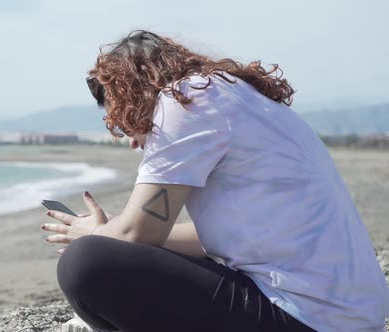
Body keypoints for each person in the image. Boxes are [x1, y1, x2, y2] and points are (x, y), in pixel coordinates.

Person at [39, 30, 389, 331]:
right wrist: (117, 229)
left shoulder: (185, 100)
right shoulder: (234, 95)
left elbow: (141, 233)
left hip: (308, 317)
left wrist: (95, 233)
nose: (130, 138)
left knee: (85, 262)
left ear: (137, 93)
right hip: (347, 315)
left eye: (122, 118)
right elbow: (209, 241)